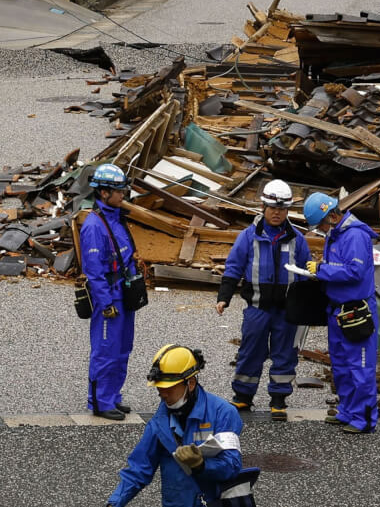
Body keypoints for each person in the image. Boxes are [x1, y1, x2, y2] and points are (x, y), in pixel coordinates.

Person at [106, 344, 258, 507]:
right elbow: (138, 470)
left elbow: (232, 466)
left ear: (190, 383)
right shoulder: (159, 422)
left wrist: (201, 465)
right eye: (159, 387)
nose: (162, 394)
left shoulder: (223, 413)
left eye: (169, 388)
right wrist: (114, 503)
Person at [216, 178, 311, 421]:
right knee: (250, 352)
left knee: (285, 354)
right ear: (264, 207)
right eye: (273, 208)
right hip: (257, 308)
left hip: (287, 311)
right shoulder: (248, 237)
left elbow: (306, 273)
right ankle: (243, 397)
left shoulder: (297, 239)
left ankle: (278, 400)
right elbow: (234, 267)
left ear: (287, 210)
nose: (277, 213)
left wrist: (307, 305)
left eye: (282, 209)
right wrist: (224, 297)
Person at [302, 191, 379, 434]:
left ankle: (364, 419)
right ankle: (348, 410)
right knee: (342, 365)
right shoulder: (335, 235)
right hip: (338, 311)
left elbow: (353, 271)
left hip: (356, 311)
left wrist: (322, 269)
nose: (321, 230)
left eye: (321, 225)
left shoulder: (354, 235)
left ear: (333, 216)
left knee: (360, 367)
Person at [80, 162, 139, 421]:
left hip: (123, 295)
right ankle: (100, 402)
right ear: (104, 193)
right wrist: (105, 302)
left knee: (122, 348)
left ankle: (113, 396)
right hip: (110, 298)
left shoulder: (116, 219)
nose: (123, 195)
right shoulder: (94, 226)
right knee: (106, 350)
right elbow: (93, 271)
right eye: (119, 191)